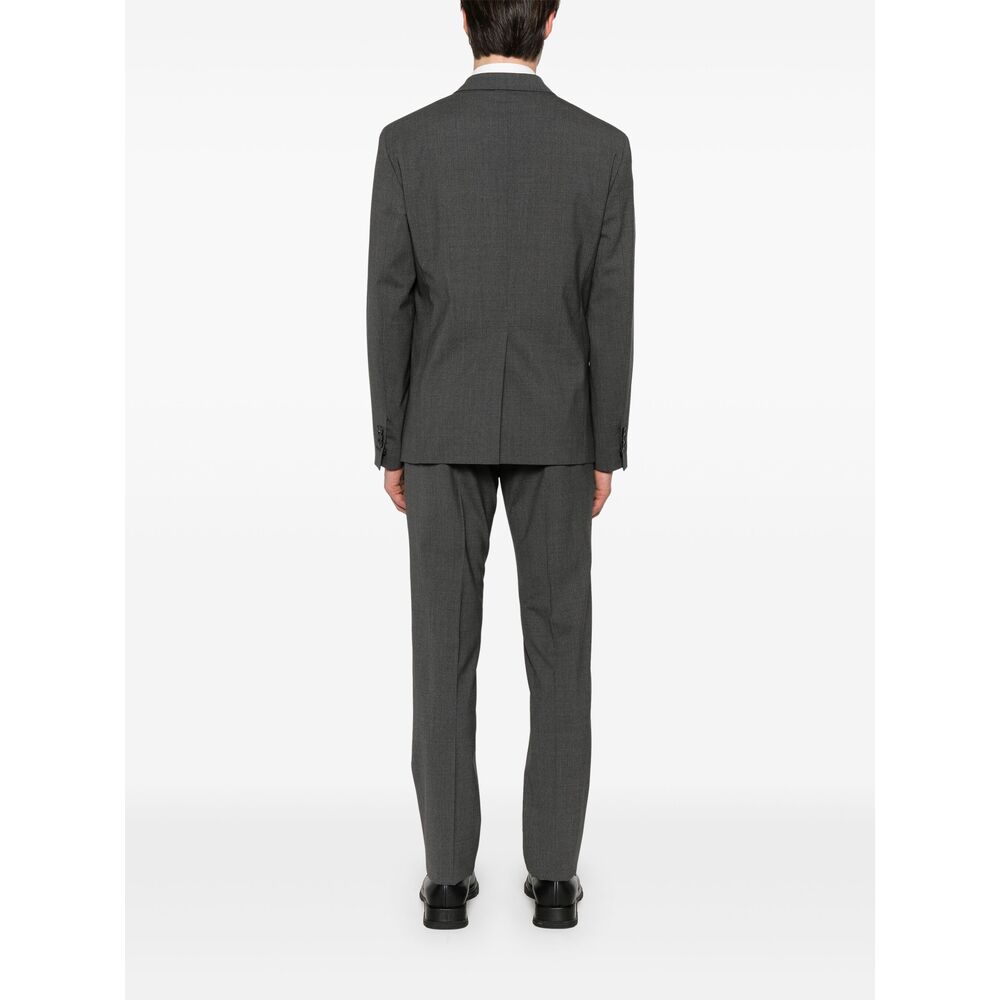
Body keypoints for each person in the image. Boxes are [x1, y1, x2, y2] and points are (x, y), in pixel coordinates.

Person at [366, 0, 634, 930]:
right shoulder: (600, 148)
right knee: (561, 653)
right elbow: (609, 308)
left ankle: (446, 883)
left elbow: (390, 300)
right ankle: (554, 883)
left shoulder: (409, 143)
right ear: (551, 21)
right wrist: (604, 445)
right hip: (561, 429)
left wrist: (393, 439)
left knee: (442, 650)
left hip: (439, 425)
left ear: (464, 21)